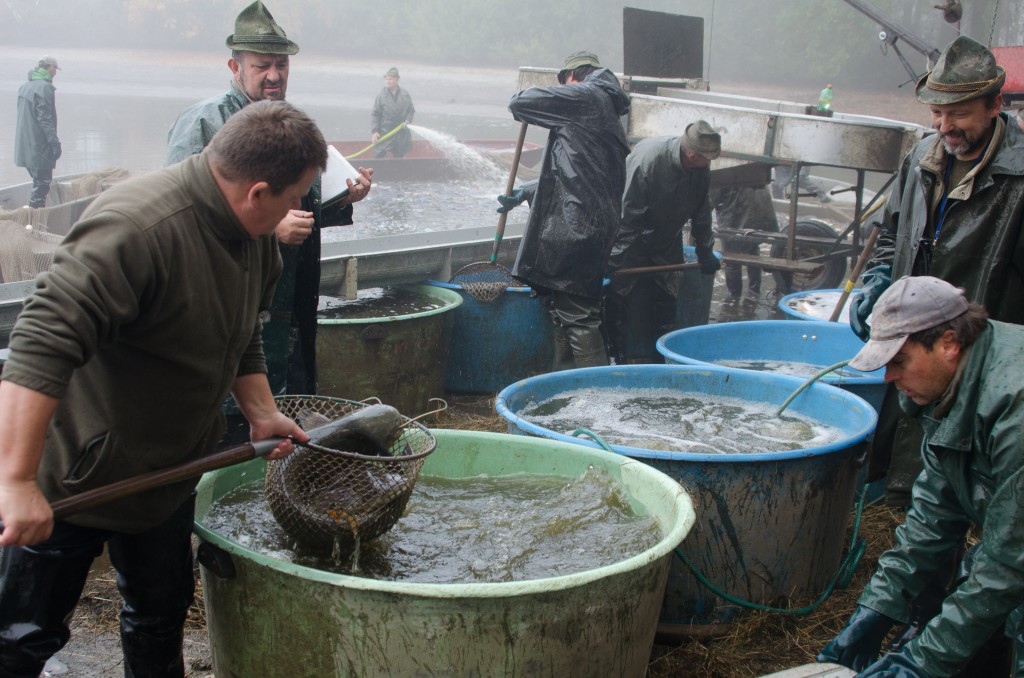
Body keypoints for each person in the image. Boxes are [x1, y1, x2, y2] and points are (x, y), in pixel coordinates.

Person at [0, 100, 321, 678]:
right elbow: (38, 344)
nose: (297, 208)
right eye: (295, 195)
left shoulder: (253, 238)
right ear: (257, 191)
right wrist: (17, 480)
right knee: (23, 636)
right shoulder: (137, 228)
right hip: (74, 475)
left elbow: (243, 328)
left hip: (167, 470)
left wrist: (262, 412)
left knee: (159, 614)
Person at [165, 1, 372, 440]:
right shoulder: (204, 121)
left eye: (281, 65)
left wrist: (341, 198)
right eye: (262, 66)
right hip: (231, 295)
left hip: (291, 298)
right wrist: (268, 231)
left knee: (291, 399)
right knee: (229, 414)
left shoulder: (289, 123)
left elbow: (301, 203)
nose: (274, 75)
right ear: (234, 66)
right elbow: (180, 215)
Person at [848, 35, 1024, 509]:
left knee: (964, 485)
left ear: (994, 105)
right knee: (900, 453)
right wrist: (876, 280)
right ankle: (895, 503)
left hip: (972, 355)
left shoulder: (1020, 175)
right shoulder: (921, 156)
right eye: (937, 114)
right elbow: (891, 235)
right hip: (915, 349)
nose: (946, 127)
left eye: (960, 114)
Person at [817, 275, 1024, 677]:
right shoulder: (951, 388)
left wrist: (921, 662)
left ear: (948, 342)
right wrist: (875, 609)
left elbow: (1008, 563)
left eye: (899, 361)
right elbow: (933, 516)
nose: (888, 378)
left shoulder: (1014, 409)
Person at [498, 51, 631, 370]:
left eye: (564, 83)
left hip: (574, 229)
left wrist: (546, 92)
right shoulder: (606, 108)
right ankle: (563, 387)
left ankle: (596, 400)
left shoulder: (585, 95)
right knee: (564, 314)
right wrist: (527, 192)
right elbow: (579, 172)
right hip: (590, 224)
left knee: (579, 316)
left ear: (573, 77)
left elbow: (520, 102)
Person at [604, 121, 722, 364]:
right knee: (620, 295)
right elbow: (628, 218)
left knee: (667, 295)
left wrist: (705, 251)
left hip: (666, 237)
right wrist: (614, 260)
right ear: (691, 155)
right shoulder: (650, 161)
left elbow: (701, 213)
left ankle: (662, 356)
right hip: (631, 236)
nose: (709, 163)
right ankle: (617, 355)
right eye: (706, 158)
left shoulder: (700, 169)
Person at [711, 182, 788, 299]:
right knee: (753, 252)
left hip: (735, 220)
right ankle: (754, 291)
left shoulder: (724, 173)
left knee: (732, 261)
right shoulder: (753, 170)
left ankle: (733, 294)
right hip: (759, 218)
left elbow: (710, 201)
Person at [14, 56, 62, 209]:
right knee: (42, 184)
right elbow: (45, 119)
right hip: (39, 146)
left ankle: (33, 212)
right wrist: (54, 142)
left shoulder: (24, 87)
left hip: (24, 145)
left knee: (38, 181)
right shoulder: (45, 88)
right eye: (56, 69)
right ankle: (35, 217)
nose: (56, 72)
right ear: (50, 68)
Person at [370, 67, 415, 159]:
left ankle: (398, 172)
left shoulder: (405, 94)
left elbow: (411, 110)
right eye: (386, 79)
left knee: (399, 158)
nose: (388, 81)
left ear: (397, 79)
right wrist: (374, 131)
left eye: (390, 79)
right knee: (378, 156)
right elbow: (375, 114)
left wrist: (408, 120)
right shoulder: (381, 96)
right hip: (385, 133)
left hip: (401, 133)